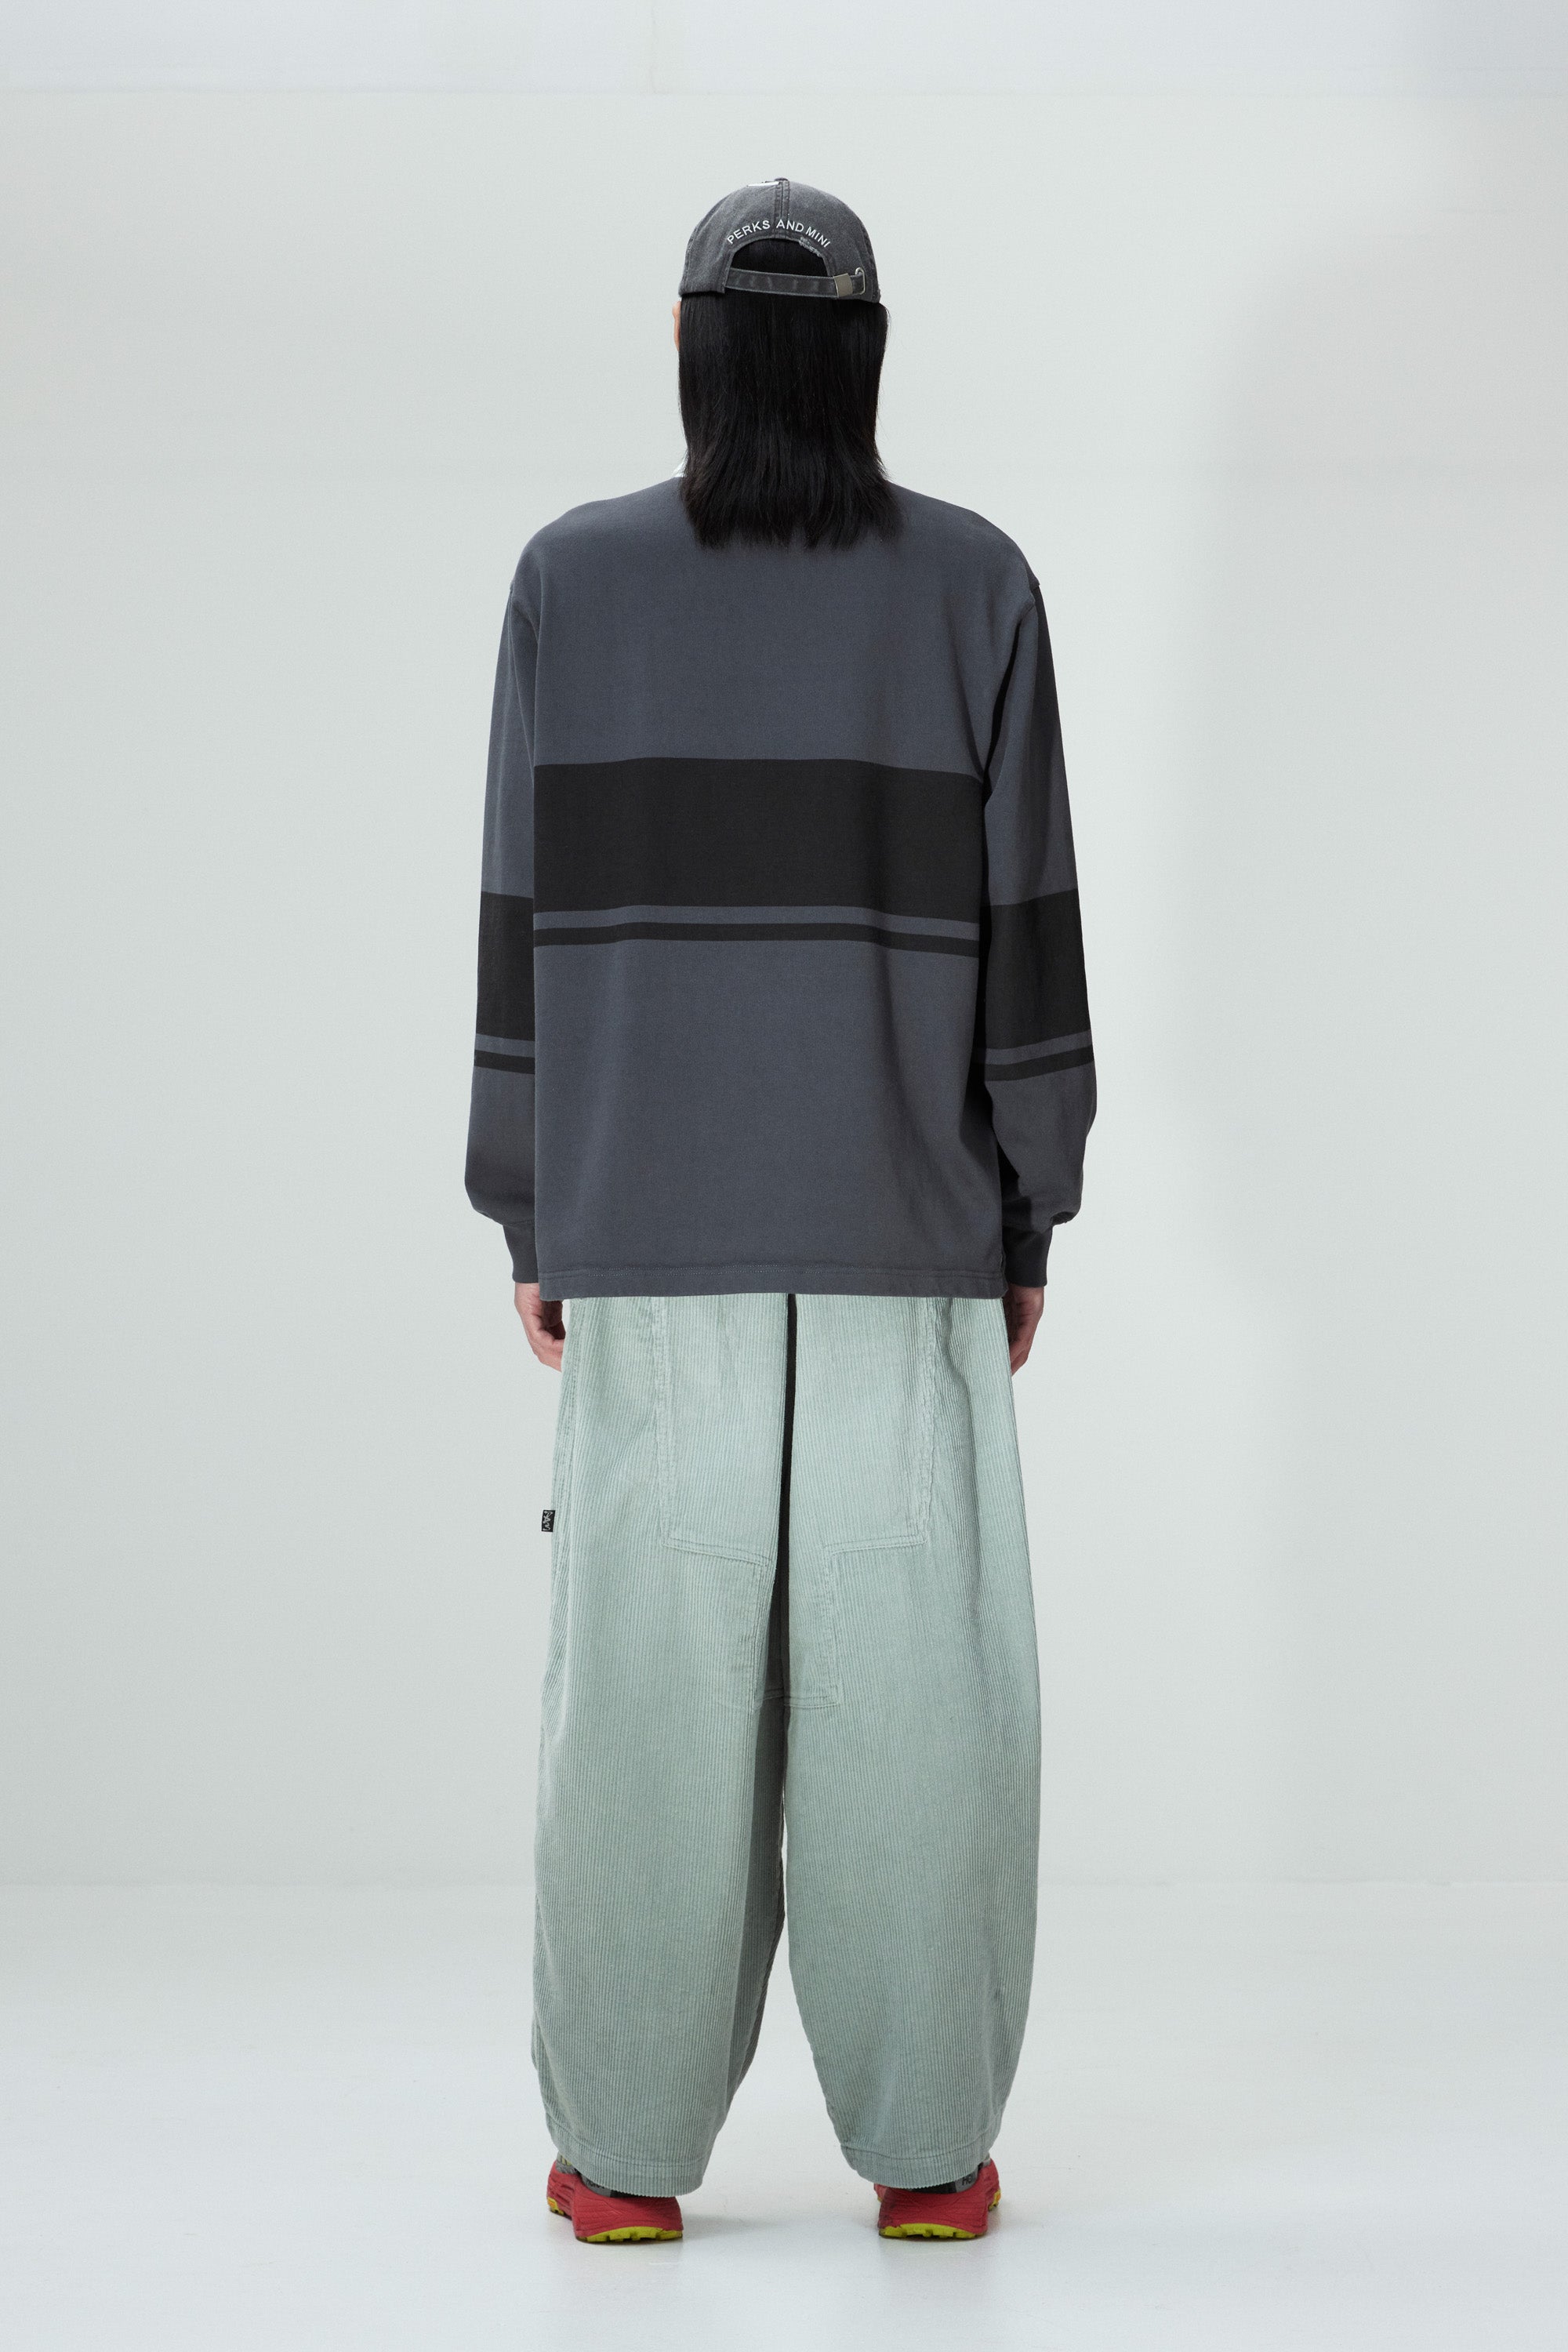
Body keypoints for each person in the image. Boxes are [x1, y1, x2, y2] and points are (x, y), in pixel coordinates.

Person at [465, 179, 1094, 2245]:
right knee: (922, 1710)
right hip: (910, 1233)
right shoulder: (977, 586)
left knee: (644, 1712)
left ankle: (620, 2163)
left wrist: (533, 1205)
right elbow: (1031, 933)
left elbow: (524, 920)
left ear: (687, 348)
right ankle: (930, 2159)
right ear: (865, 354)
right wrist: (1027, 1211)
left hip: (650, 1242)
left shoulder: (571, 582)